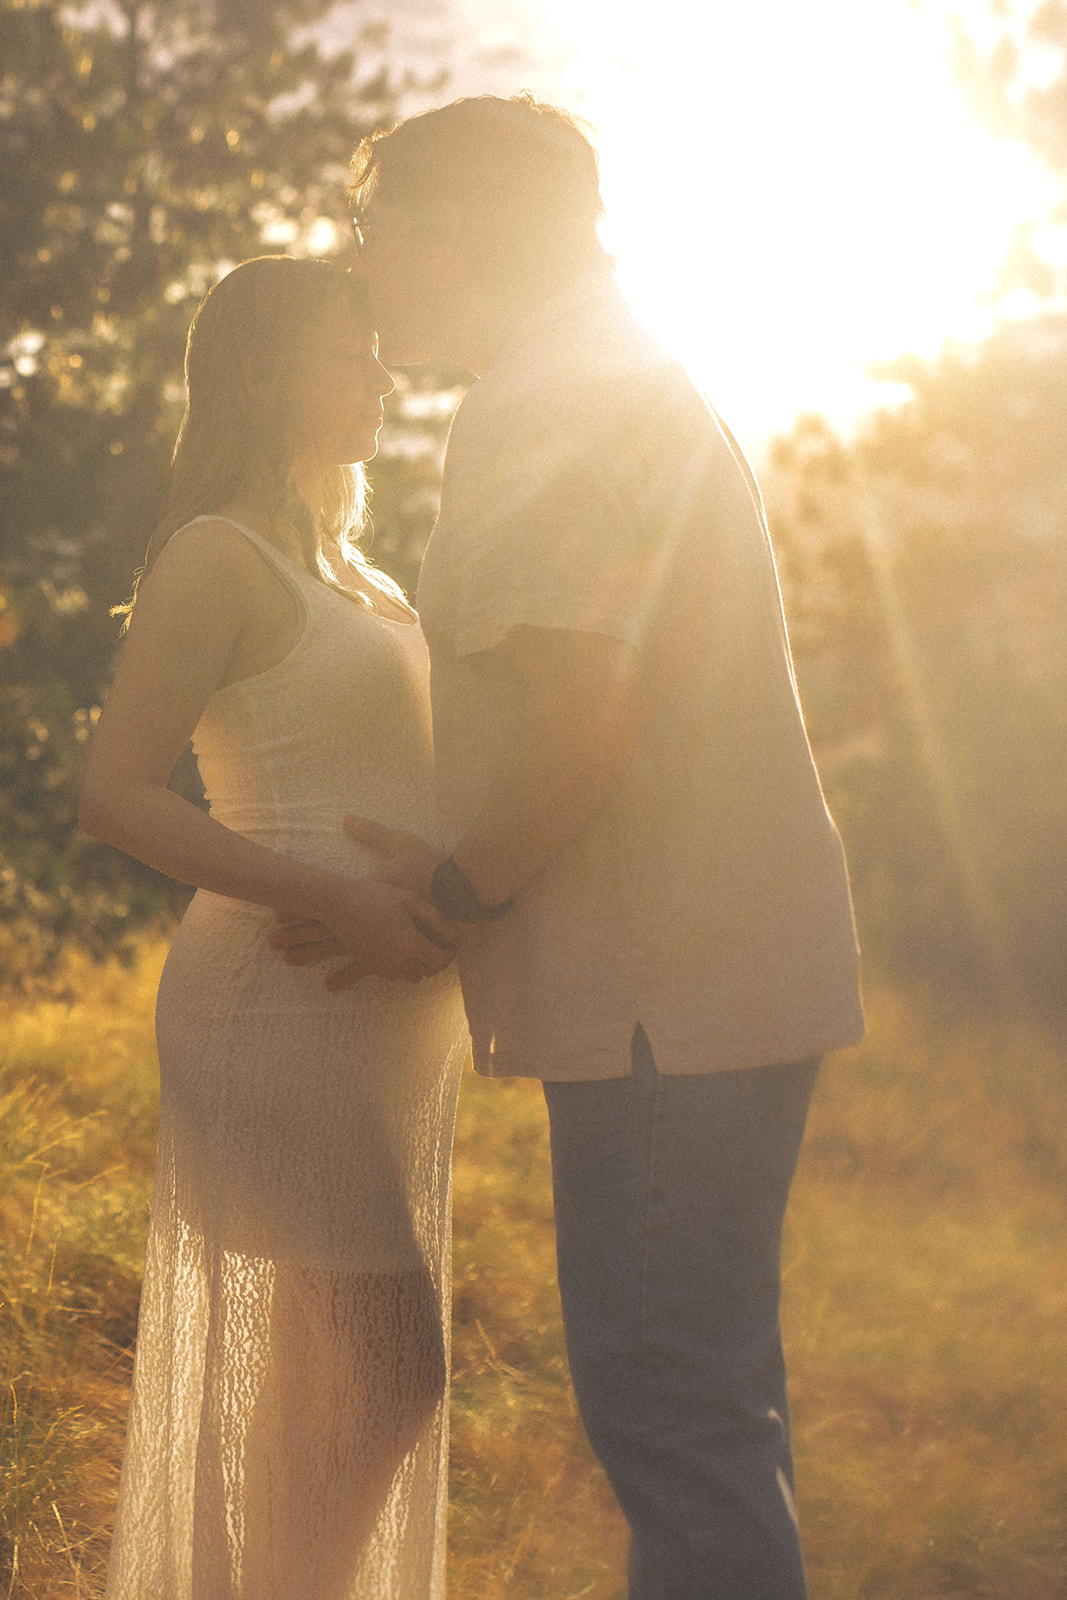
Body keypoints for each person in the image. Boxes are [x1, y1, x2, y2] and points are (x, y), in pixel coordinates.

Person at [279, 95, 866, 1598]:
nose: (363, 265)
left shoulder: (548, 400)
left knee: (676, 1423)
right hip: (703, 972)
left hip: (664, 989)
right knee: (709, 1416)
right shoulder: (612, 372)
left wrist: (455, 894)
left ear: (457, 228)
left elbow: (585, 714)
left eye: (374, 226)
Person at [79, 255, 470, 1600]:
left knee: (319, 1384)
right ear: (261, 375)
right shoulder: (215, 556)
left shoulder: (357, 568)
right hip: (277, 998)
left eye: (379, 349)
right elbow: (112, 793)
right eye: (347, 352)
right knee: (395, 1369)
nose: (381, 374)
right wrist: (336, 899)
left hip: (376, 1023)